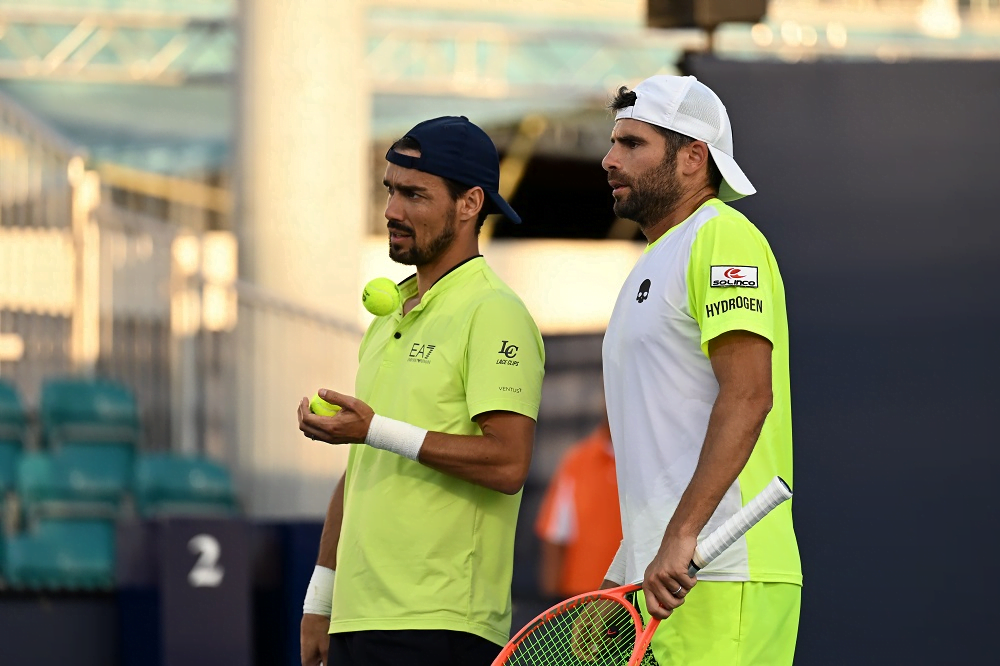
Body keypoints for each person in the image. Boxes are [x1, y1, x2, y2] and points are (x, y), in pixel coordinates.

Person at [296, 116, 545, 666]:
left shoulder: (495, 312)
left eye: (414, 194)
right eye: (390, 190)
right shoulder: (387, 320)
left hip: (442, 624)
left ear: (469, 203)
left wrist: (374, 430)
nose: (391, 210)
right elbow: (362, 466)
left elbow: (508, 463)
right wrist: (321, 597)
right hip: (360, 619)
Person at [599, 75, 802, 665]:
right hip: (665, 578)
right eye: (614, 143)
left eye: (633, 144)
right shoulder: (652, 261)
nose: (609, 160)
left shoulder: (723, 238)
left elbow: (748, 397)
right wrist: (625, 567)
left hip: (721, 569)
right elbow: (660, 448)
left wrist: (682, 535)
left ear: (694, 157)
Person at [534, 415, 621, 600]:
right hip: (583, 599)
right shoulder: (577, 461)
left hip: (641, 595)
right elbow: (555, 535)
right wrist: (549, 607)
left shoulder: (654, 462)